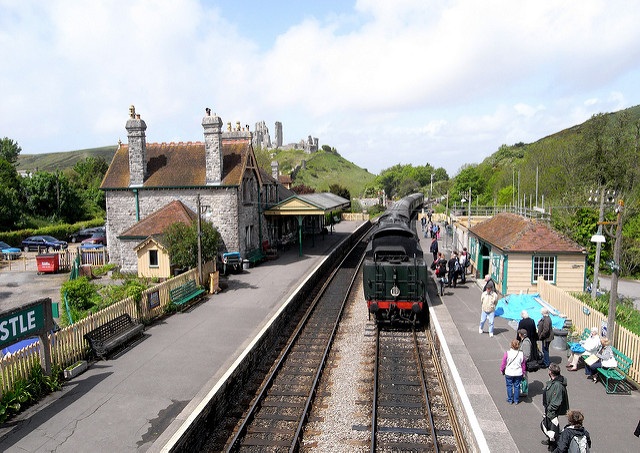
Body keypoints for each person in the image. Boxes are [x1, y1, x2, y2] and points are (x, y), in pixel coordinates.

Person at [541, 363, 570, 451]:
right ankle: (551, 441)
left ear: (550, 372)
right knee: (547, 426)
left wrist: (550, 410)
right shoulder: (553, 380)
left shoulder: (558, 385)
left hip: (552, 411)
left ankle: (553, 445)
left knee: (552, 429)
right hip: (549, 408)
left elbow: (556, 401)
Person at [501, 339, 526, 404]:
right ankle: (516, 400)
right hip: (518, 373)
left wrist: (502, 370)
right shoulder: (521, 354)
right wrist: (523, 372)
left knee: (509, 386)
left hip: (509, 372)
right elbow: (523, 365)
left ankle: (510, 399)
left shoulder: (507, 353)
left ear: (511, 345)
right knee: (517, 386)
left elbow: (503, 363)